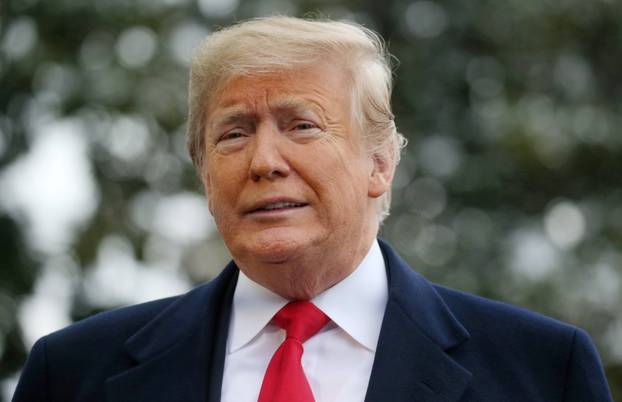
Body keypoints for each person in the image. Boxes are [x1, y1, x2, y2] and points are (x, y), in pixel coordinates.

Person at [13, 16, 612, 402]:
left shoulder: (541, 372)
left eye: (302, 126)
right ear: (203, 173)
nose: (264, 161)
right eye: (233, 134)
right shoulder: (71, 374)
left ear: (380, 164)